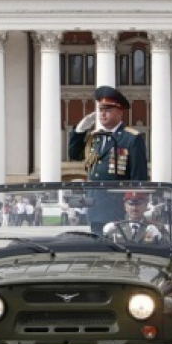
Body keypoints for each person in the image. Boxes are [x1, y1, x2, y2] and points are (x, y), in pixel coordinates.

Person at [68, 86, 149, 234]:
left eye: (108, 110)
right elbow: (74, 154)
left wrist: (134, 205)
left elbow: (139, 176)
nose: (103, 114)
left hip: (118, 208)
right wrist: (79, 131)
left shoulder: (131, 138)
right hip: (95, 208)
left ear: (119, 112)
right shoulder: (95, 137)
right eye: (100, 110)